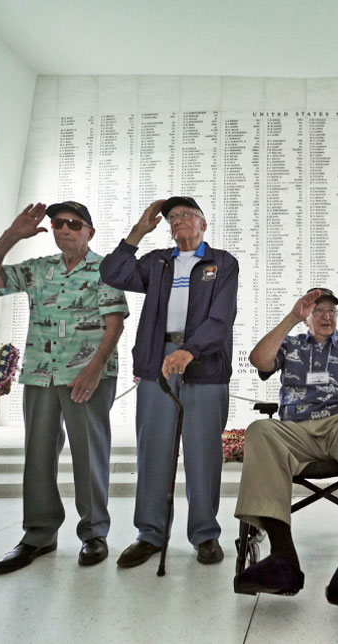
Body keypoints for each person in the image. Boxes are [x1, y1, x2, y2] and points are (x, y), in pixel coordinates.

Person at [0, 201, 128, 574]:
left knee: (89, 453)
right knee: (38, 454)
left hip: (86, 376)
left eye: (74, 223)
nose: (65, 229)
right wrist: (12, 235)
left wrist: (94, 370)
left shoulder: (105, 269)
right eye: (58, 223)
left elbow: (115, 323)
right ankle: (38, 535)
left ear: (90, 231)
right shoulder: (39, 269)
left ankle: (94, 533)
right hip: (41, 374)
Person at [99, 196, 238, 568]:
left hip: (204, 363)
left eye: (186, 215)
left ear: (203, 223)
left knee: (203, 452)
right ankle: (150, 534)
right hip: (156, 362)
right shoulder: (157, 262)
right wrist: (138, 232)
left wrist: (189, 351)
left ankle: (205, 534)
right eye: (172, 217)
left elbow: (221, 318)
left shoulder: (222, 262)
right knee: (154, 450)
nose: (178, 221)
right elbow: (112, 273)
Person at [234, 288, 338, 608]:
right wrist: (291, 318)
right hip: (297, 431)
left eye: (331, 310)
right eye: (318, 310)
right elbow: (259, 360)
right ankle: (283, 558)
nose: (326, 316)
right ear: (307, 316)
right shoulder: (290, 346)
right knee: (260, 431)